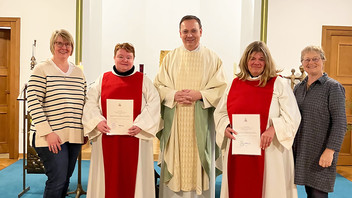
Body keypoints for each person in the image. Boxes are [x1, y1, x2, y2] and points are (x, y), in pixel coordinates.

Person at [213, 41, 301, 198]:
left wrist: (274, 129)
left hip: (268, 149)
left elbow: (292, 115)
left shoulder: (278, 83)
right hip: (239, 151)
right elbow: (220, 113)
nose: (256, 62)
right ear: (246, 61)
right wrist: (225, 126)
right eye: (252, 58)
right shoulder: (234, 84)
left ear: (267, 62)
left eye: (261, 58)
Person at [154, 15, 227, 197]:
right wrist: (173, 95)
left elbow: (222, 89)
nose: (189, 35)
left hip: (201, 123)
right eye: (185, 31)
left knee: (199, 163)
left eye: (194, 31)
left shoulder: (213, 58)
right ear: (179, 33)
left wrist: (201, 95)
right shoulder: (170, 58)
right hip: (176, 122)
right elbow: (158, 86)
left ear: (201, 32)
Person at [82, 43, 160, 198]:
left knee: (134, 178)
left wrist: (141, 124)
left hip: (135, 137)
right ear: (114, 57)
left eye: (128, 57)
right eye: (121, 56)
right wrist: (97, 121)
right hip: (107, 137)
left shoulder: (143, 80)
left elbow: (154, 102)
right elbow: (90, 102)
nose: (125, 60)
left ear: (133, 59)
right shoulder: (103, 79)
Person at [27, 29, 86, 198]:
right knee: (57, 179)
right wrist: (47, 132)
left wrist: (84, 130)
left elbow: (84, 102)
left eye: (67, 44)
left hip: (73, 135)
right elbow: (33, 102)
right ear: (52, 45)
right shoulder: (41, 69)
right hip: (51, 136)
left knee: (66, 180)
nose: (63, 47)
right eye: (59, 43)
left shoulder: (78, 73)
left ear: (72, 47)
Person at [293, 46, 347, 198]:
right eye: (307, 59)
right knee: (308, 192)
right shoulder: (298, 88)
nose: (311, 63)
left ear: (323, 60)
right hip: (302, 150)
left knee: (318, 194)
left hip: (322, 151)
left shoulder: (333, 87)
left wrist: (330, 150)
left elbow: (340, 123)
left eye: (315, 59)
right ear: (302, 63)